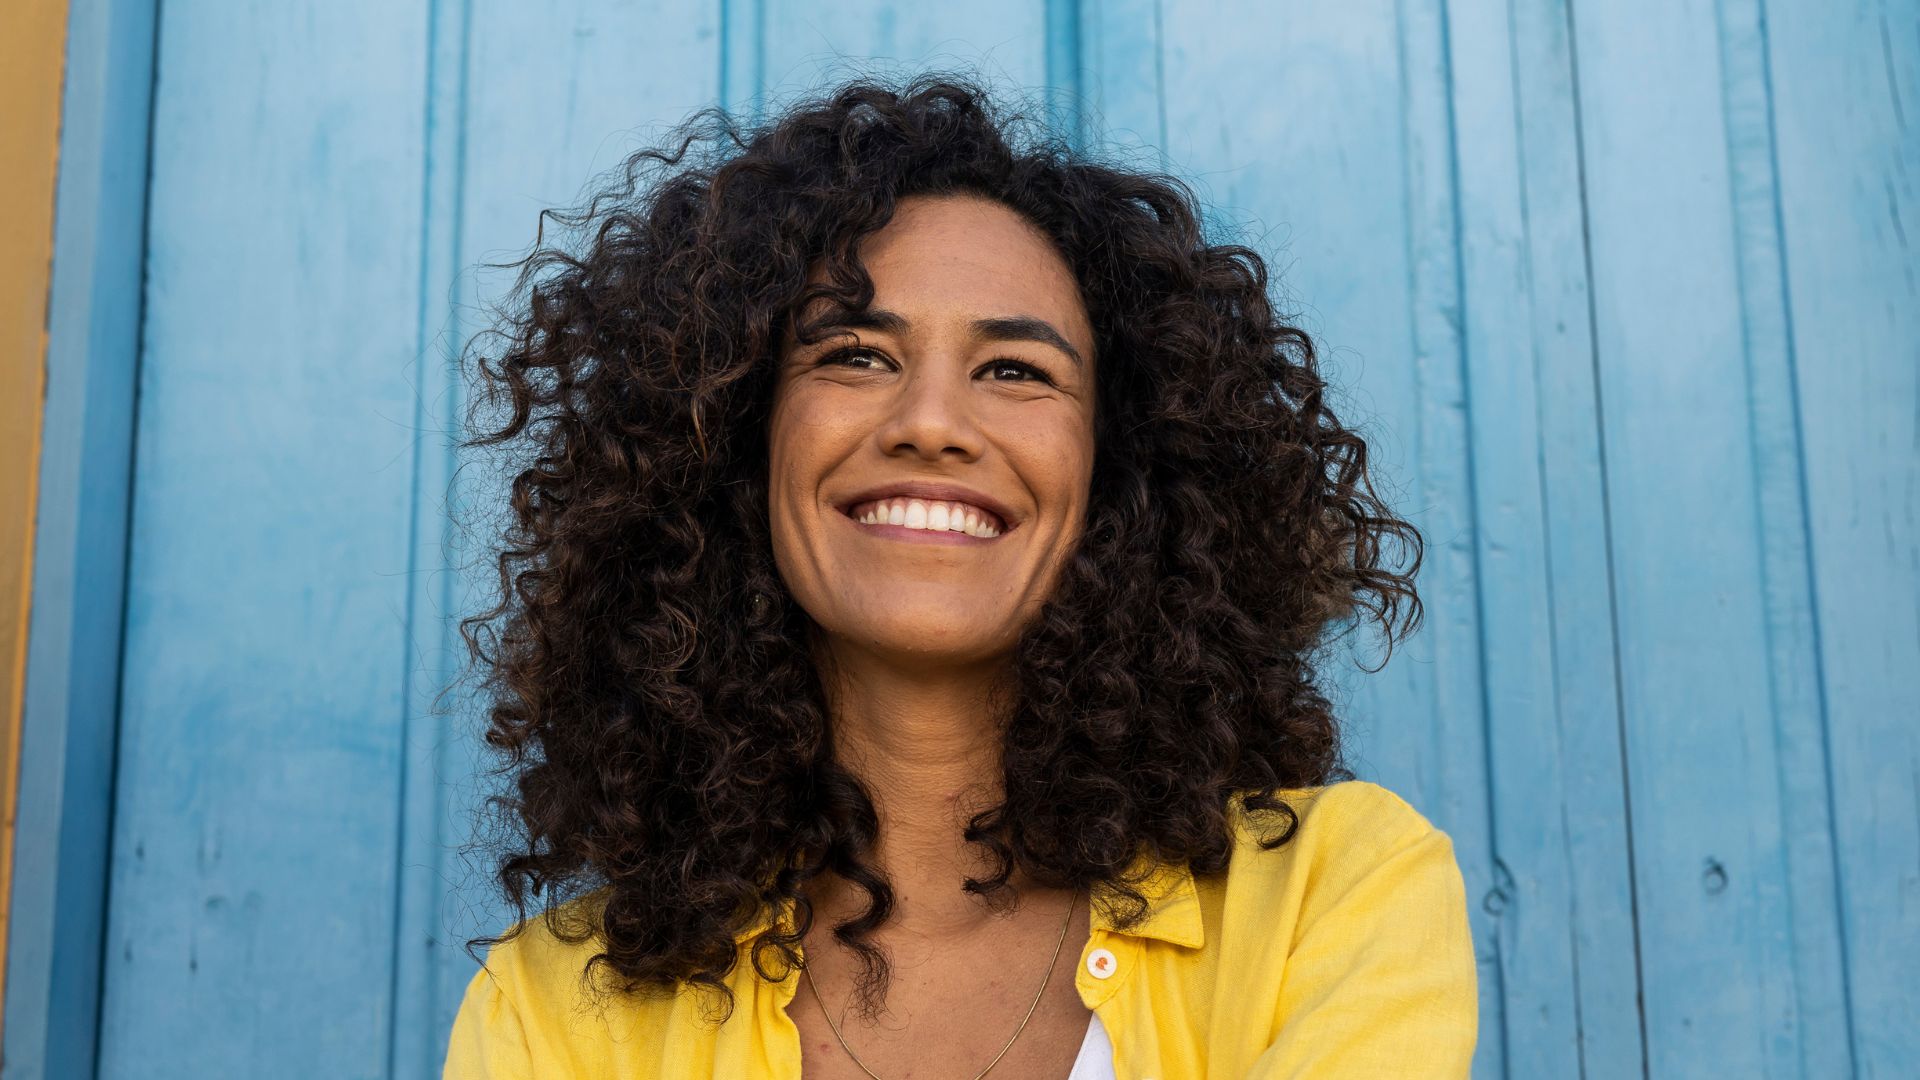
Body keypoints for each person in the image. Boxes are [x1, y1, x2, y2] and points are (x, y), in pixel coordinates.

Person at [442, 73, 1476, 1080]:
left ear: (1119, 468)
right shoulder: (552, 1011)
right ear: (736, 445)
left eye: (1016, 371)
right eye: (854, 355)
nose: (931, 422)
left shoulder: (1331, 899)